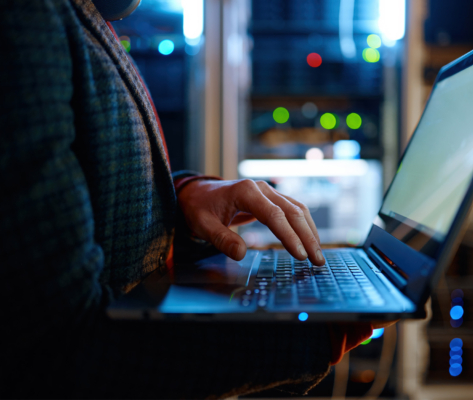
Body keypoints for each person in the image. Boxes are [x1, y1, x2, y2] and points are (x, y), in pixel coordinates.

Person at [0, 0, 389, 397]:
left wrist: (184, 199)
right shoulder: (26, 17)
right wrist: (313, 335)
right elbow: (62, 353)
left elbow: (96, 189)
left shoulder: (70, 16)